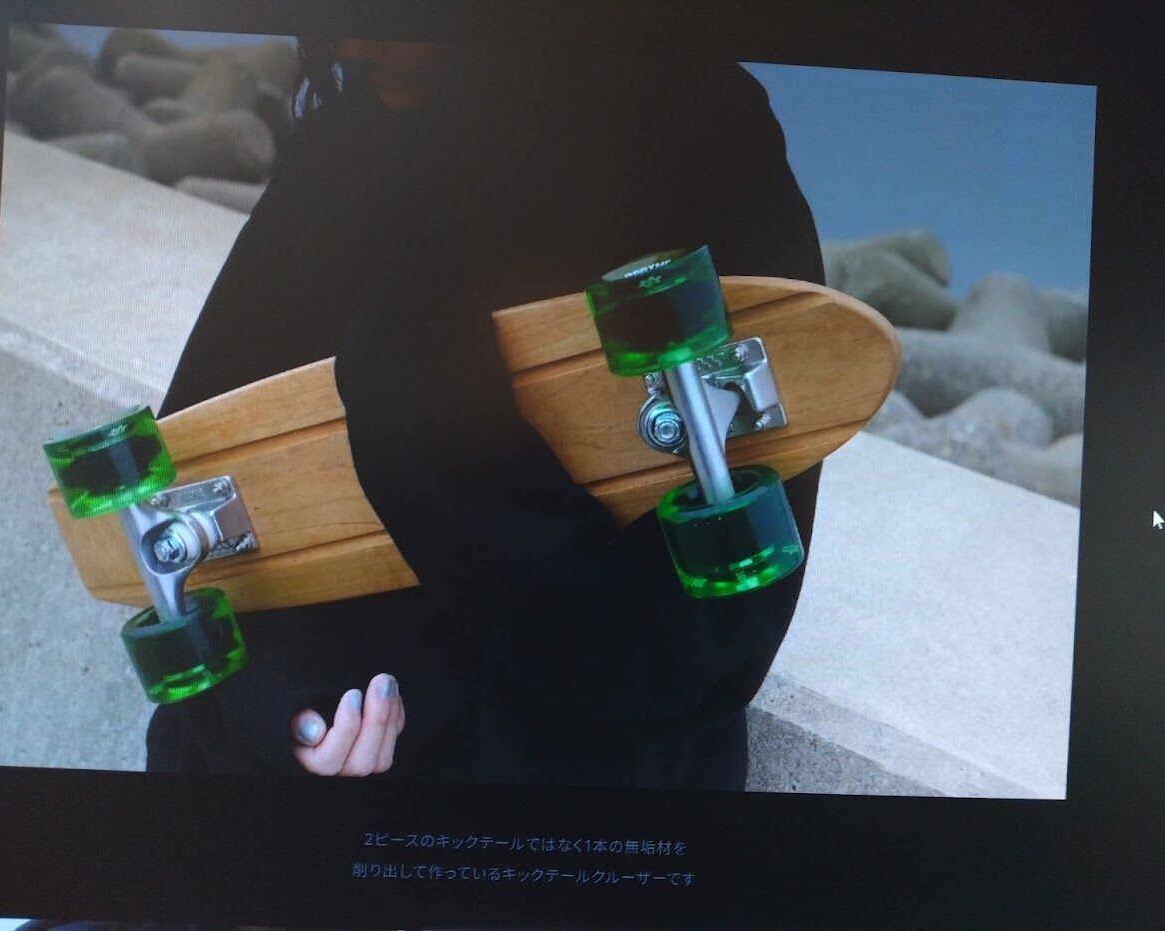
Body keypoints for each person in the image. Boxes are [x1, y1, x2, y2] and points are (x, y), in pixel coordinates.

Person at [146, 37, 825, 789]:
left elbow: (708, 651)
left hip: (571, 796)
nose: (348, 41)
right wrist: (286, 713)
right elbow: (173, 517)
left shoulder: (695, 128)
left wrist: (429, 438)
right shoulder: (347, 147)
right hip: (310, 775)